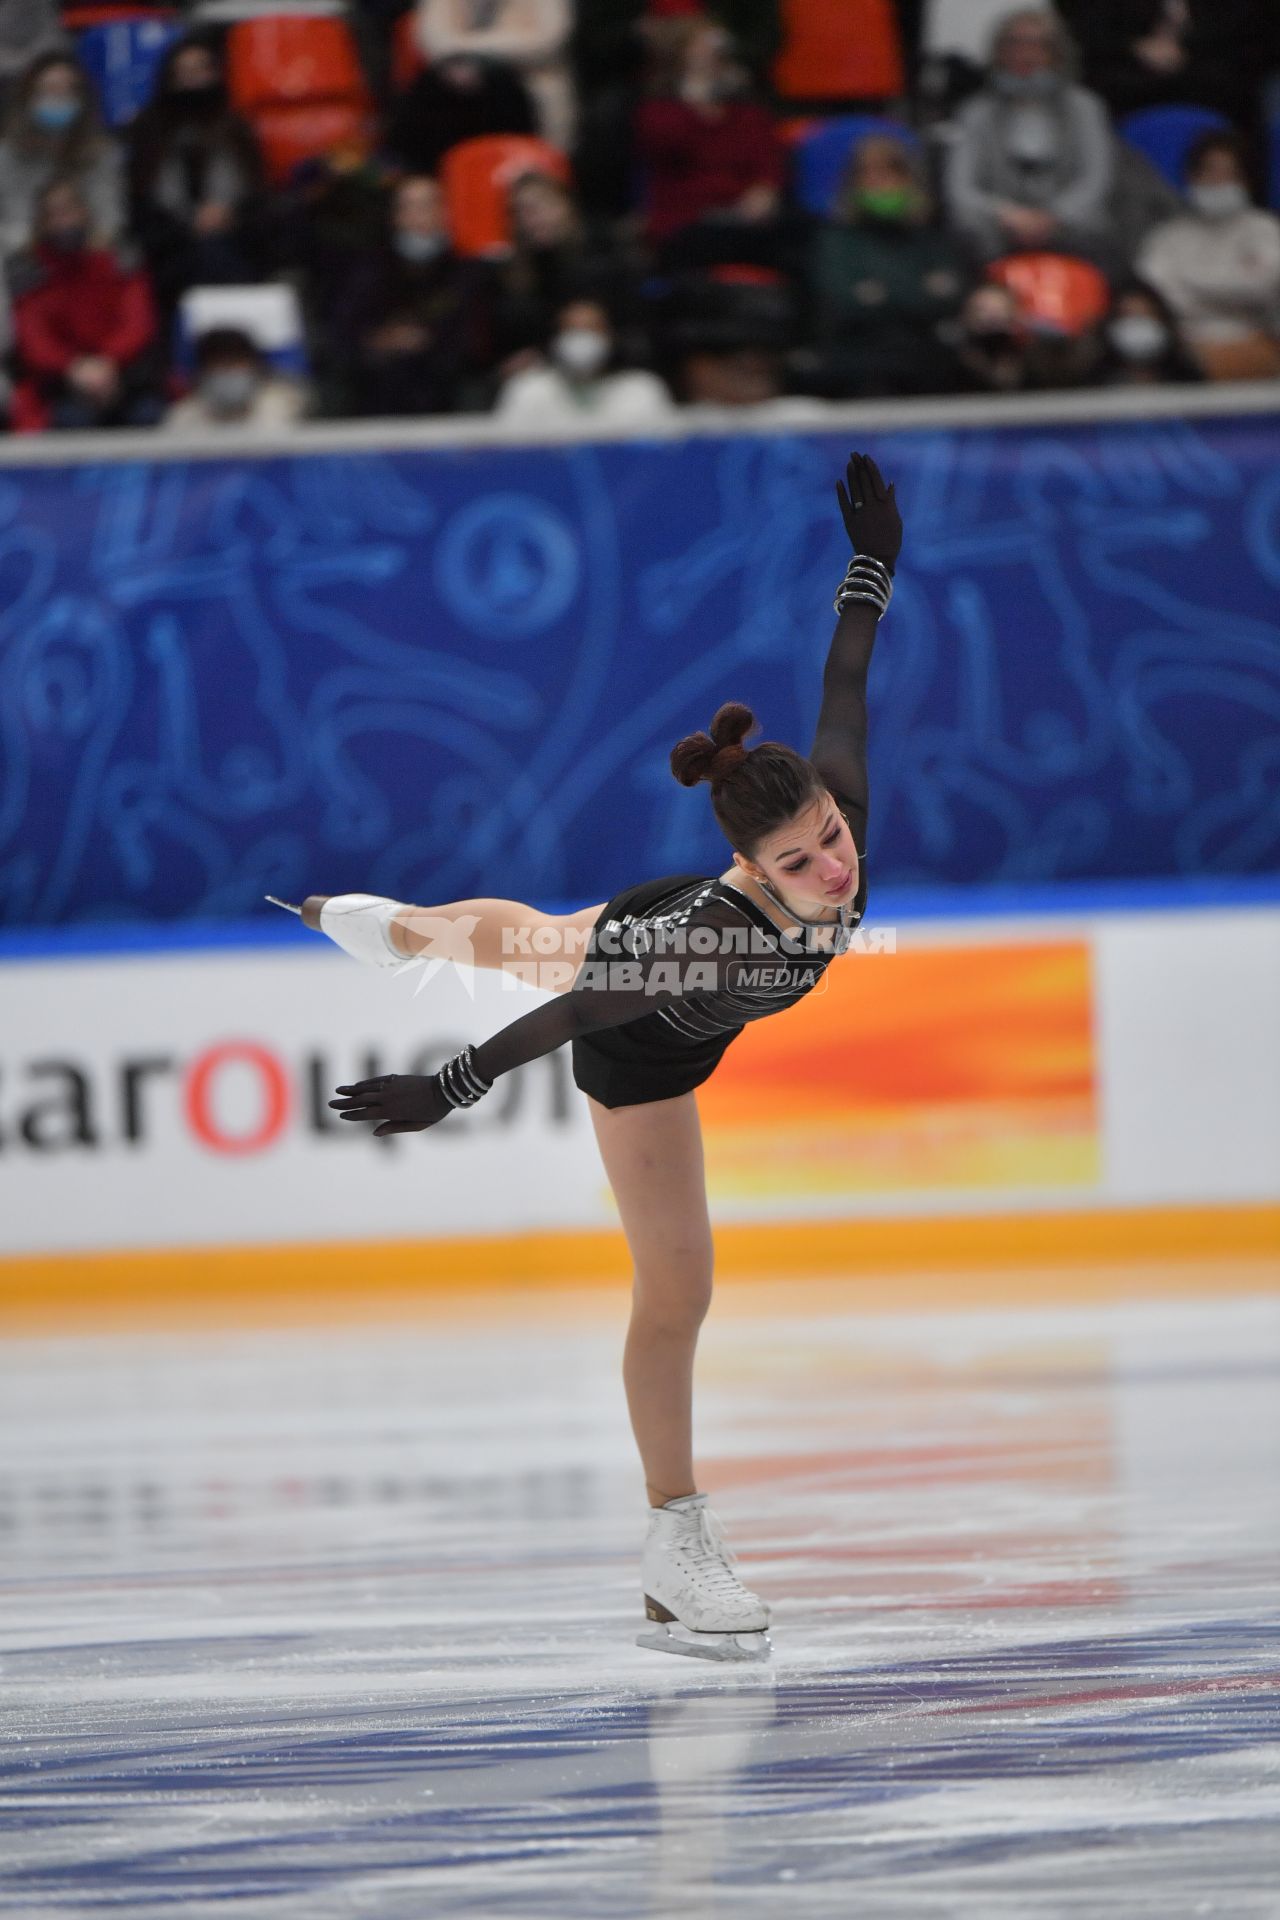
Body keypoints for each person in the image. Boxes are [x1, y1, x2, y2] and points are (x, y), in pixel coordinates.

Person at [297, 452, 901, 1663]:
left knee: (541, 935)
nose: (834, 871)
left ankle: (404, 929)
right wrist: (444, 1089)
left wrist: (869, 561)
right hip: (637, 1040)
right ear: (747, 872)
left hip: (645, 954)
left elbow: (843, 680)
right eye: (800, 863)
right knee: (672, 1276)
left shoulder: (831, 814)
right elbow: (578, 1020)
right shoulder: (716, 941)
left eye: (829, 841)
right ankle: (675, 1547)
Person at [943, 8, 1114, 264]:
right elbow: (961, 189)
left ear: (1056, 53)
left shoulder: (1085, 108)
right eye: (1015, 44)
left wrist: (1053, 216)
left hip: (1070, 229)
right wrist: (1007, 214)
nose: (1025, 54)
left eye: (1037, 45)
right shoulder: (976, 112)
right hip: (998, 230)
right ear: (998, 52)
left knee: (1097, 229)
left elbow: (1095, 180)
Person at [812, 131, 969, 397]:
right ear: (853, 184)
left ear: (909, 181)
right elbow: (842, 302)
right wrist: (921, 290)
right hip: (856, 358)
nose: (879, 184)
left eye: (889, 174)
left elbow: (953, 299)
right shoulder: (836, 240)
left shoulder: (931, 238)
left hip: (927, 356)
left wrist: (879, 292)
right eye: (868, 175)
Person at [327, 173, 497, 417]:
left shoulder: (468, 271)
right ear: (395, 217)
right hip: (377, 384)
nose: (418, 216)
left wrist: (427, 341)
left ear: (445, 213)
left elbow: (476, 339)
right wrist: (380, 341)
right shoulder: (367, 270)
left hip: (444, 382)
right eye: (408, 207)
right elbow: (342, 332)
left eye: (428, 205)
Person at [127, 33, 265, 311]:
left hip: (236, 236)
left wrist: (228, 215)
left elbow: (260, 194)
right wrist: (188, 224)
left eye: (201, 69)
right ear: (169, 78)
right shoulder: (148, 131)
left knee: (222, 252)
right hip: (171, 244)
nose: (194, 79)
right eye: (184, 71)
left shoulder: (236, 128)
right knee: (206, 255)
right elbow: (140, 204)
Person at [9, 178, 160, 431]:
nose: (63, 222)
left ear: (85, 212)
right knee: (71, 421)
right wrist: (73, 368)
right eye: (52, 215)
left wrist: (108, 362)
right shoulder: (29, 271)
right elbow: (33, 339)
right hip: (62, 383)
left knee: (148, 414)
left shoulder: (120, 259)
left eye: (68, 211)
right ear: (41, 224)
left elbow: (138, 322)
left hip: (123, 376)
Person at [634, 17, 785, 265]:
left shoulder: (748, 114)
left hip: (742, 219)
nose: (708, 60)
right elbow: (669, 147)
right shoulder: (657, 112)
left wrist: (765, 190)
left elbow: (768, 162)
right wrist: (692, 100)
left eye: (713, 52)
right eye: (698, 51)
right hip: (687, 220)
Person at [1137, 131, 1280, 381]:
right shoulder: (1167, 237)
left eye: (1229, 174)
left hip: (1253, 338)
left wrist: (1190, 285)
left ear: (1246, 181)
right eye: (1210, 172)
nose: (1218, 181)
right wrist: (1232, 290)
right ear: (1192, 177)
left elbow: (1263, 287)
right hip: (1182, 344)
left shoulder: (1266, 230)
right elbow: (1154, 295)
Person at [494, 170, 638, 363]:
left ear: (565, 205)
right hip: (543, 374)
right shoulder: (512, 275)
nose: (532, 219)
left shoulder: (605, 252)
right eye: (520, 212)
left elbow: (633, 329)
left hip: (614, 364)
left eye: (539, 207)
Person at [0, 50, 124, 260]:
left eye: (67, 90)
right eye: (50, 89)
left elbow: (109, 211)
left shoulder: (102, 151)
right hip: (26, 252)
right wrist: (29, 242)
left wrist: (100, 237)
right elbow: (13, 213)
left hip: (89, 250)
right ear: (30, 96)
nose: (58, 96)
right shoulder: (9, 153)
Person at [412, 0, 573, 150]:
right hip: (459, 89)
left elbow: (547, 43)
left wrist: (467, 51)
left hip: (529, 82)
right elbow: (436, 43)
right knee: (434, 89)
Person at [495, 296, 673, 424]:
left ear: (610, 337)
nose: (581, 338)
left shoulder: (643, 390)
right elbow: (508, 453)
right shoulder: (527, 389)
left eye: (591, 329)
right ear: (556, 339)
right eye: (571, 329)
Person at [386, 48, 535, 179]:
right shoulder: (423, 94)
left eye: (468, 66)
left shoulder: (507, 93)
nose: (463, 74)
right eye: (457, 66)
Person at [162, 325, 308, 432]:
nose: (228, 369)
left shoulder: (286, 410)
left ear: (256, 368)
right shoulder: (182, 417)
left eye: (236, 361)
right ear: (202, 372)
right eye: (219, 362)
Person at [1098, 277, 1202, 385]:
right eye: (1129, 316)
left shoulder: (1186, 379)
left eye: (1145, 315)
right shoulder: (1097, 381)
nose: (1138, 327)